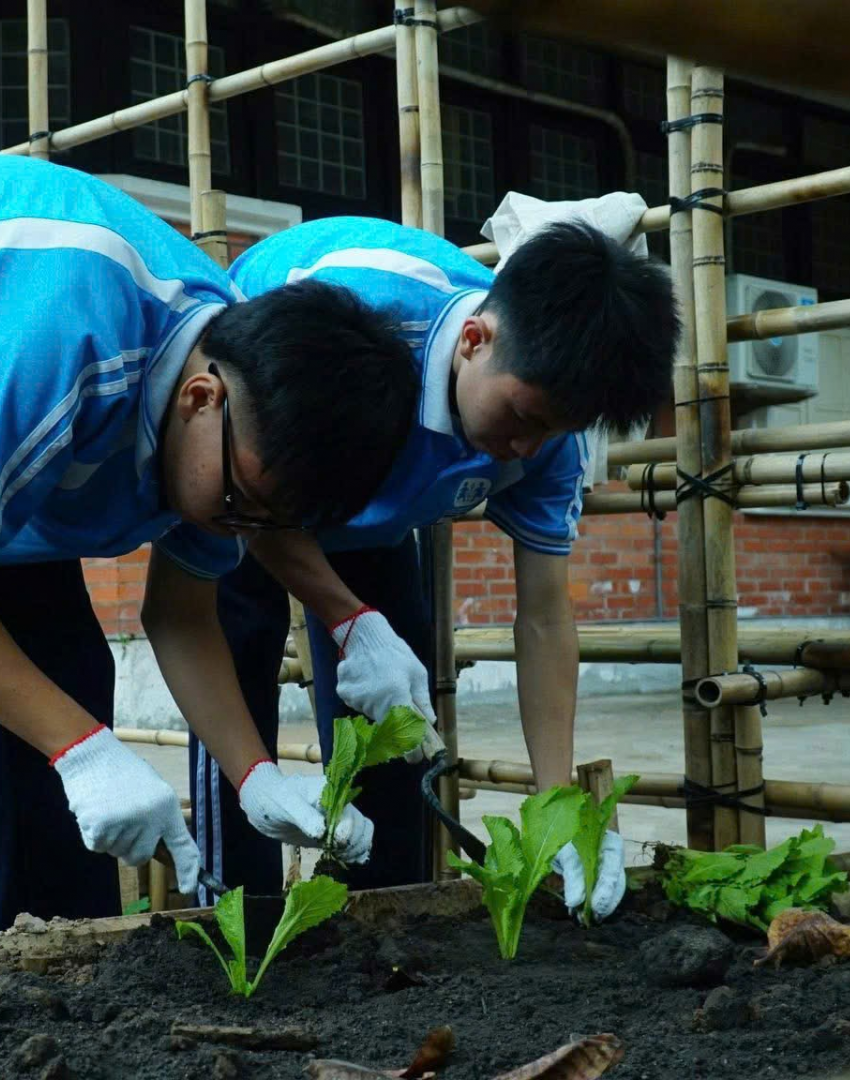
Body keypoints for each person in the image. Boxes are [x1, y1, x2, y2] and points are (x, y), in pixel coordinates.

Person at [0, 155, 419, 961]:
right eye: (240, 506)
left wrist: (256, 775)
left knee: (63, 686)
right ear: (201, 399)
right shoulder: (60, 335)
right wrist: (84, 752)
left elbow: (182, 616)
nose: (242, 527)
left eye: (269, 521)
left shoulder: (239, 427)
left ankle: (57, 973)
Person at [189, 212, 677, 921]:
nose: (525, 447)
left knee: (396, 711)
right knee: (238, 656)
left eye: (553, 431)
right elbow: (242, 487)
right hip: (253, 462)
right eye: (523, 417)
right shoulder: (368, 319)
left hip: (377, 508)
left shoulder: (548, 440)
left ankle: (383, 918)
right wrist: (347, 617)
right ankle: (237, 914)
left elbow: (545, 618)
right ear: (474, 341)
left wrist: (557, 803)